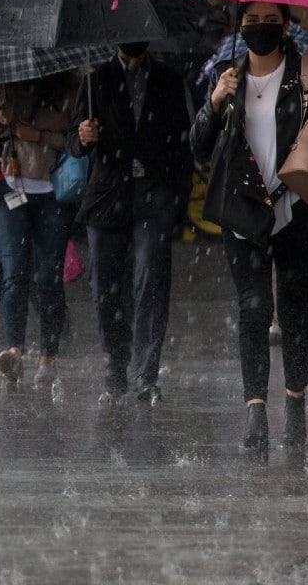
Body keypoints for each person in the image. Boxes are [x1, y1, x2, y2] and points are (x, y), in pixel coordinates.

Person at [191, 1, 308, 454]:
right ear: (240, 28)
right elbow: (197, 146)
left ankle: (294, 400)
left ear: (286, 26)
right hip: (244, 214)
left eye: (270, 22)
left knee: (293, 313)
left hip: (296, 212)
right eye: (251, 22)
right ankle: (255, 412)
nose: (261, 30)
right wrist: (214, 102)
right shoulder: (227, 78)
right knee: (253, 310)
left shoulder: (307, 73)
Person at [67, 41, 194, 405]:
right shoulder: (95, 81)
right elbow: (72, 142)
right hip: (107, 195)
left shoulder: (170, 81)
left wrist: (176, 202)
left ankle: (146, 374)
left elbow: (182, 145)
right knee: (104, 285)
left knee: (152, 277)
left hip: (154, 194)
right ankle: (115, 366)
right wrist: (82, 136)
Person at [0, 72, 79, 386]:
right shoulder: (1, 87)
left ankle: (48, 354)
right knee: (14, 274)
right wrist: (0, 122)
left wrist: (38, 136)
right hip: (7, 191)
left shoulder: (71, 87)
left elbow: (77, 140)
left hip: (54, 193)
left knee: (48, 276)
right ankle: (13, 350)